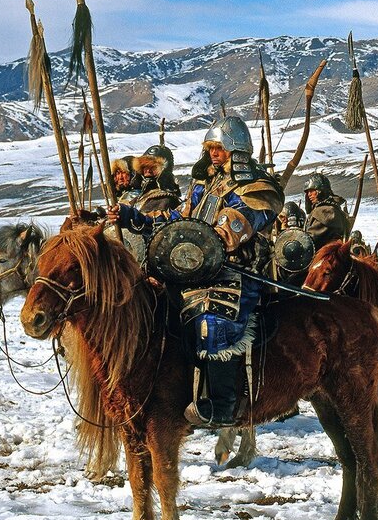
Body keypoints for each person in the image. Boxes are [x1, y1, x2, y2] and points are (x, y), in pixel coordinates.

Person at [112, 115, 282, 426]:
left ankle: (223, 403)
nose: (213, 154)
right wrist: (133, 217)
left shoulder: (259, 186)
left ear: (235, 149)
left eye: (219, 148)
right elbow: (178, 218)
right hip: (198, 267)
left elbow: (240, 222)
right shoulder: (206, 185)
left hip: (237, 270)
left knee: (211, 315)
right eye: (210, 148)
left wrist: (209, 237)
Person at [303, 173, 349, 250]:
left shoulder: (326, 211)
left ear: (319, 191)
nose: (309, 194)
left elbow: (310, 240)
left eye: (311, 190)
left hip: (326, 256)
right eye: (307, 192)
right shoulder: (330, 209)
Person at [135, 143, 181, 215]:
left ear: (164, 170)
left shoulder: (163, 198)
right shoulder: (142, 195)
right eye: (145, 166)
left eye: (153, 167)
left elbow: (146, 222)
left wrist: (128, 213)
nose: (148, 170)